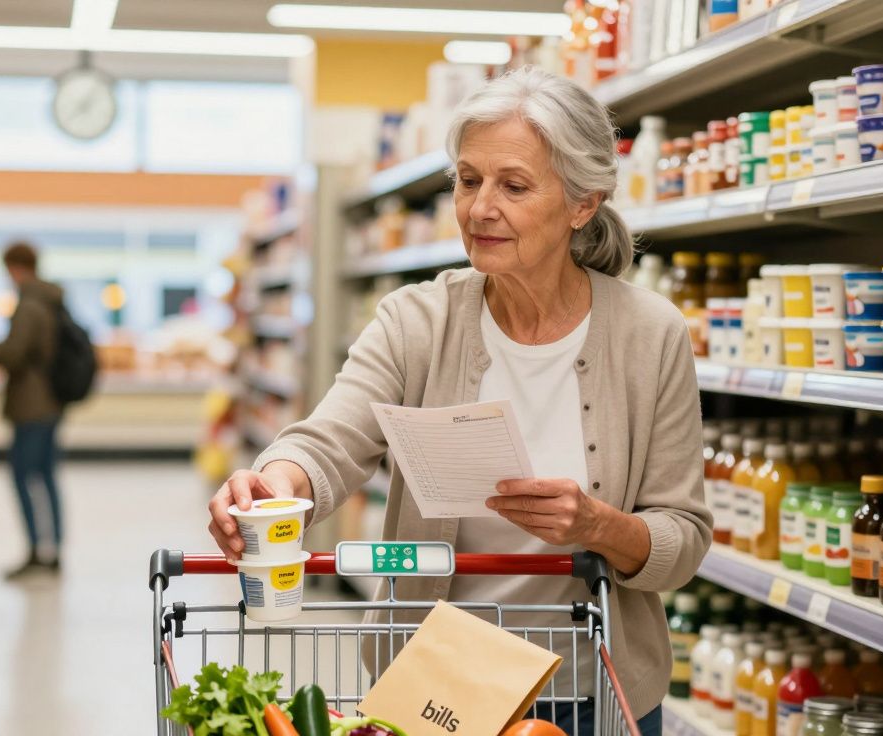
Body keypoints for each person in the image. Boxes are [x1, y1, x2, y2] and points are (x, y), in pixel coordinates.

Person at [205, 67, 709, 734]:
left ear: (582, 203)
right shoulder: (417, 320)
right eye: (468, 180)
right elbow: (330, 440)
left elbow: (684, 535)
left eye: (514, 185)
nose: (479, 207)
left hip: (593, 693)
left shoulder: (651, 336)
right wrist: (274, 485)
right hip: (431, 692)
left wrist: (596, 526)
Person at [0, 242, 66, 577]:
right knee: (46, 475)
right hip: (51, 401)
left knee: (21, 477)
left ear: (14, 267)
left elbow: (13, 354)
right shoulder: (50, 299)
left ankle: (35, 553)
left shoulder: (29, 304)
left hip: (32, 405)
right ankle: (53, 549)